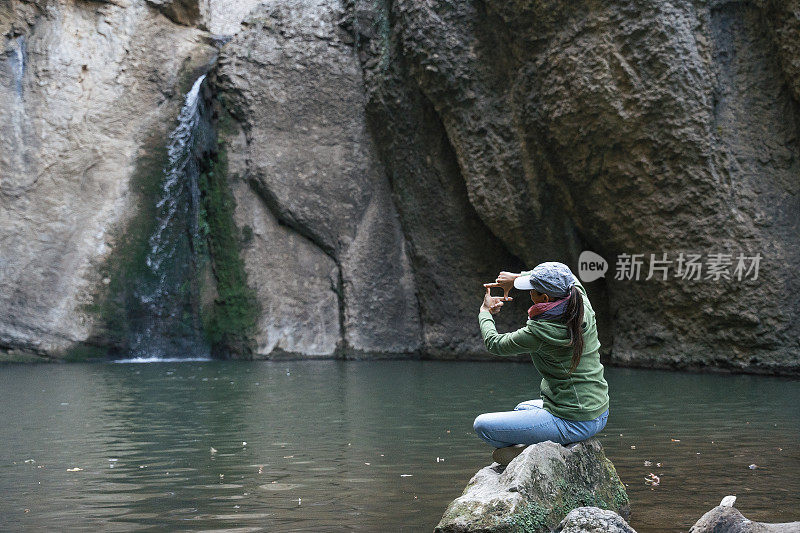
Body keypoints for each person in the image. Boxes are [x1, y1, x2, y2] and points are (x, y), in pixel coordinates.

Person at [473, 262, 609, 465]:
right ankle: (539, 445)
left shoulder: (539, 332)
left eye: (532, 290)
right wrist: (516, 278)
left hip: (573, 420)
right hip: (598, 411)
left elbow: (495, 344)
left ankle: (534, 453)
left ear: (544, 298)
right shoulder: (580, 299)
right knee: (522, 408)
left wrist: (485, 312)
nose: (528, 292)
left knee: (482, 425)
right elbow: (567, 273)